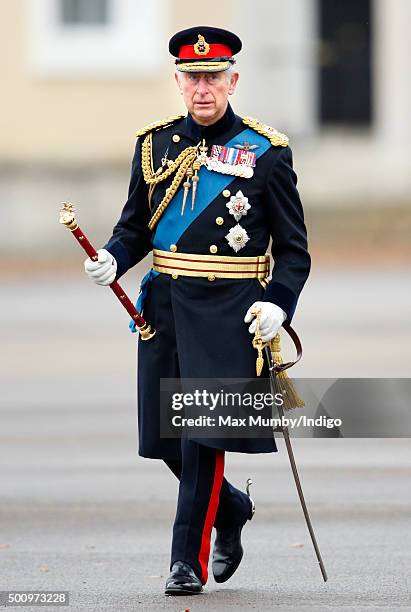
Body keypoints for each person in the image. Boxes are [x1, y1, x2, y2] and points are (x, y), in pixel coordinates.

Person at [84, 26, 310, 596]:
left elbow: (294, 251)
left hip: (230, 311)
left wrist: (278, 305)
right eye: (192, 77)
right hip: (162, 306)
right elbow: (134, 227)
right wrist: (113, 257)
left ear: (233, 80)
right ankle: (230, 510)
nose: (202, 88)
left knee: (200, 435)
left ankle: (185, 559)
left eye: (213, 77)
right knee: (163, 439)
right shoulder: (154, 146)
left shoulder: (267, 151)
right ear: (178, 82)